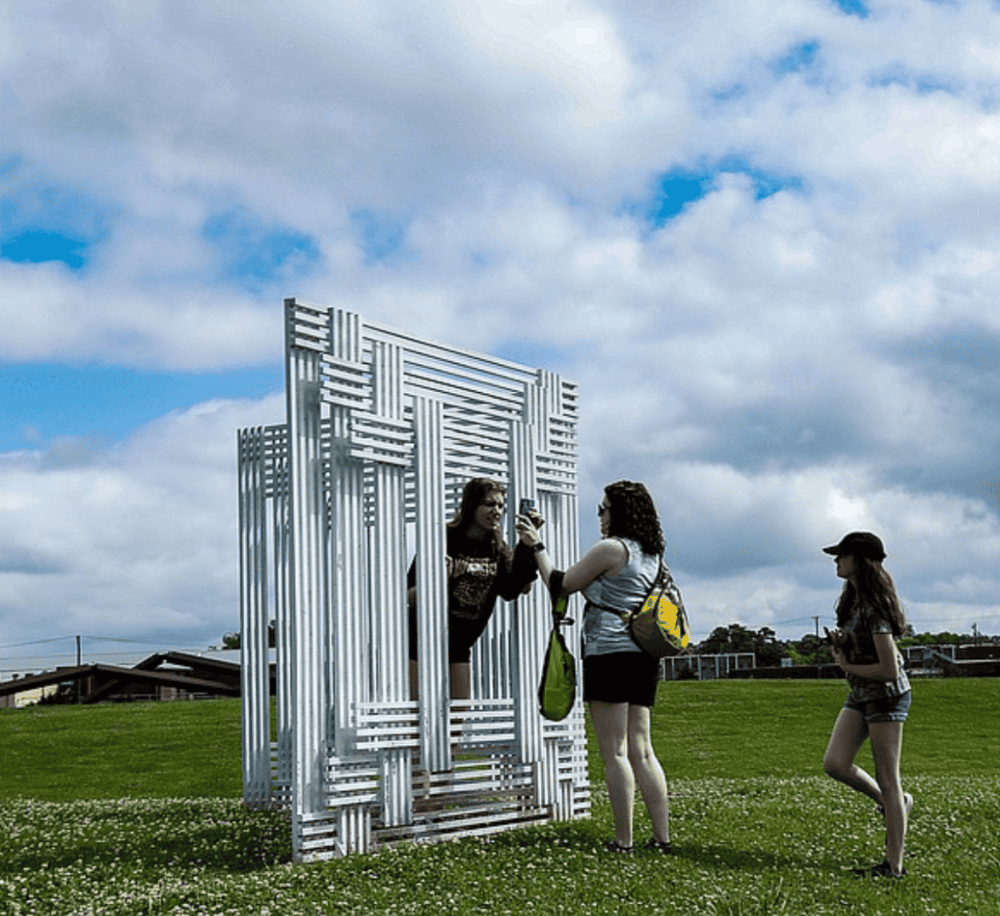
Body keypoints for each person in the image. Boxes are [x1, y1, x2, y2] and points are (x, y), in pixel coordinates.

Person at [518, 480, 673, 855]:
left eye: (603, 509)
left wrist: (536, 544)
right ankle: (662, 838)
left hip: (609, 654)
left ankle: (624, 840)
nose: (600, 516)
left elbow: (562, 584)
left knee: (614, 751)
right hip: (643, 656)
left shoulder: (611, 549)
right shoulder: (652, 555)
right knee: (643, 749)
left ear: (619, 512)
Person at [820, 531, 913, 878]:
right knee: (835, 763)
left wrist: (847, 667)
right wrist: (843, 640)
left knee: (888, 778)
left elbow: (889, 670)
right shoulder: (851, 601)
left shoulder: (876, 609)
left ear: (859, 560)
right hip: (861, 693)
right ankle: (894, 806)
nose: (836, 560)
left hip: (886, 697)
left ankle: (894, 866)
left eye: (841, 555)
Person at [408, 477, 539, 701]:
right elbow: (409, 596)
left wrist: (526, 545)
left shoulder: (498, 548)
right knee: (418, 715)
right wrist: (438, 577)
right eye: (489, 504)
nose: (497, 511)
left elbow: (515, 589)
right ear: (471, 505)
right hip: (421, 640)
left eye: (500, 505)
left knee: (458, 716)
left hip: (460, 645)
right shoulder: (442, 539)